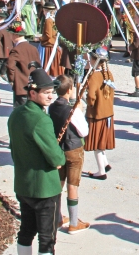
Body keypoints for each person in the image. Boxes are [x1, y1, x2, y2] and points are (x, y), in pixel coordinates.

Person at [8, 68, 66, 255]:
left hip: (23, 184)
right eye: (46, 93)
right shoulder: (41, 120)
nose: (51, 97)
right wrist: (59, 159)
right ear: (32, 93)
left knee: (26, 231)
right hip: (44, 188)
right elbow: (57, 157)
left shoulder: (16, 114)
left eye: (52, 92)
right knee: (47, 237)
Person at [48, 75, 90, 235]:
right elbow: (84, 131)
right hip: (73, 149)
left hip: (59, 148)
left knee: (58, 184)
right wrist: (79, 110)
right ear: (70, 90)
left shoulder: (52, 107)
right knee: (72, 185)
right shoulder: (72, 110)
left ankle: (57, 217)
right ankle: (73, 223)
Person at [84, 52, 116, 179]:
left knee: (97, 144)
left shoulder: (94, 76)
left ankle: (101, 171)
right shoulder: (109, 74)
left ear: (94, 60)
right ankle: (105, 163)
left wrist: (89, 103)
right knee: (102, 141)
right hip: (108, 113)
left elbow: (91, 96)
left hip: (97, 114)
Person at [7, 21, 41, 108]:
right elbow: (38, 66)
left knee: (20, 111)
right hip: (33, 85)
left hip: (21, 86)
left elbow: (10, 66)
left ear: (15, 35)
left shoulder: (16, 50)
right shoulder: (34, 48)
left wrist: (11, 80)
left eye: (11, 34)